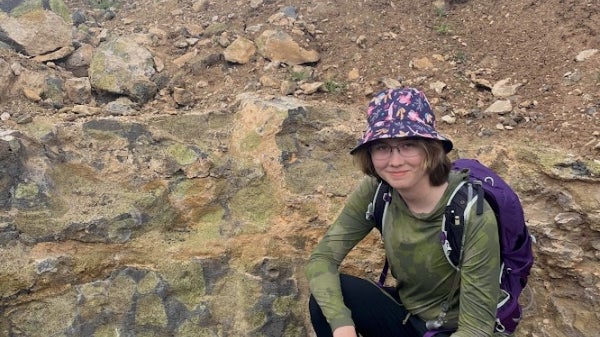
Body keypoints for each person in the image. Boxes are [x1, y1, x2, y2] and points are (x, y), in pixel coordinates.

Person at [305, 87, 501, 337]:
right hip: (408, 318)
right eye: (382, 148)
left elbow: (476, 329)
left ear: (430, 149)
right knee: (330, 299)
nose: (395, 161)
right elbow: (322, 259)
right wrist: (342, 324)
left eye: (408, 145)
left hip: (456, 330)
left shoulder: (471, 214)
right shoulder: (378, 191)